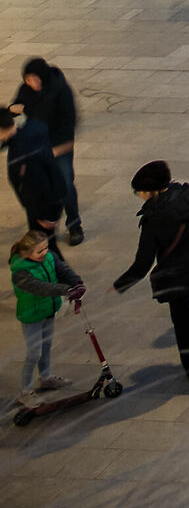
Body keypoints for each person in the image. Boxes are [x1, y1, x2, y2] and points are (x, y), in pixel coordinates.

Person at [112, 161, 189, 381]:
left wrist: (121, 283)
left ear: (151, 190)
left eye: (140, 192)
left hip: (175, 277)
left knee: (183, 322)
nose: (139, 196)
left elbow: (143, 261)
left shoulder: (154, 217)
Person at [11, 226, 82, 402]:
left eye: (45, 248)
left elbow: (62, 269)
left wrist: (76, 282)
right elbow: (40, 288)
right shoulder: (20, 272)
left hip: (48, 311)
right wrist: (66, 290)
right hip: (32, 316)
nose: (45, 252)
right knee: (34, 352)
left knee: (46, 346)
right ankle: (25, 392)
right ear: (27, 252)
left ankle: (46, 377)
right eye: (39, 251)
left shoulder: (49, 256)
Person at [11, 63, 78, 246]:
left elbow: (68, 122)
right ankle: (43, 227)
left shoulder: (60, 91)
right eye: (28, 79)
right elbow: (17, 103)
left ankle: (74, 224)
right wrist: (13, 109)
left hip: (58, 147)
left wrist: (58, 148)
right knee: (37, 187)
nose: (31, 83)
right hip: (36, 146)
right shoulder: (26, 89)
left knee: (65, 185)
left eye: (34, 79)